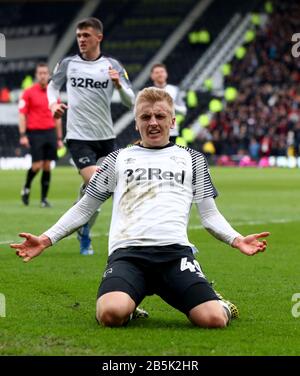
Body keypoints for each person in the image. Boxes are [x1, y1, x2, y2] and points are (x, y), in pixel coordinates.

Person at [11, 88, 270, 328]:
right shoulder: (117, 159)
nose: (153, 122)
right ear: (136, 122)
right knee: (110, 314)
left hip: (175, 256)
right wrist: (46, 239)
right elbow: (85, 207)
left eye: (160, 116)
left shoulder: (192, 159)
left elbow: (210, 214)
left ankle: (220, 302)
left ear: (173, 121)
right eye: (145, 116)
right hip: (129, 256)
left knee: (213, 319)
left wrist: (236, 239)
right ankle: (130, 305)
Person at [47, 17, 135, 255]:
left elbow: (132, 101)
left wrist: (118, 85)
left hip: (106, 137)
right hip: (78, 137)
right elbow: (52, 86)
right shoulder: (68, 64)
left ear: (99, 37)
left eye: (86, 35)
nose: (81, 40)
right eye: (78, 36)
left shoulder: (112, 65)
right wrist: (52, 104)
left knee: (104, 189)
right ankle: (84, 229)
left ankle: (83, 226)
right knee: (99, 182)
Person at [19, 62, 63, 208]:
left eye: (45, 73)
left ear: (49, 75)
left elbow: (58, 117)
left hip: (50, 132)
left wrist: (59, 137)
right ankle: (26, 187)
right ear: (36, 75)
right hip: (35, 133)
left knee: (47, 166)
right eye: (40, 73)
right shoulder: (28, 93)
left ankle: (44, 199)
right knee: (36, 165)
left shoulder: (53, 94)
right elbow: (22, 115)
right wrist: (23, 134)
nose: (43, 76)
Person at [150, 63, 187, 143]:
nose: (160, 74)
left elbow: (183, 111)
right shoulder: (148, 92)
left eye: (162, 72)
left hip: (172, 132)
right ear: (152, 76)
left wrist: (171, 107)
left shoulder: (174, 90)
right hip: (154, 131)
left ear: (166, 74)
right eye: (157, 72)